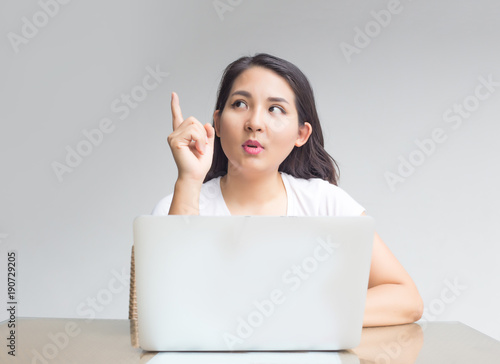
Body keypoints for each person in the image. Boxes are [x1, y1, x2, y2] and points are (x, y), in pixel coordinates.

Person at [152, 53, 423, 327]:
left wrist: (297, 313)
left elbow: (406, 299)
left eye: (275, 109)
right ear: (218, 123)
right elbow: (169, 311)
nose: (254, 122)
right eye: (240, 104)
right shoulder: (176, 207)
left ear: (301, 134)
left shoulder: (325, 204)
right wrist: (188, 179)